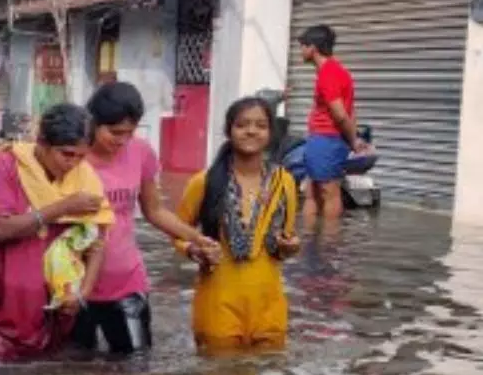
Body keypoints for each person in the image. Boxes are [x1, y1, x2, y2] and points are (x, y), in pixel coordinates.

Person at [0, 103, 114, 363]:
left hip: (52, 304)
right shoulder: (8, 165)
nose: (73, 164)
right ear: (42, 143)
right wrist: (63, 207)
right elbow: (0, 229)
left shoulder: (83, 176)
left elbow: (97, 239)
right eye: (67, 154)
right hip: (0, 301)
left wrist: (83, 294)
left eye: (81, 156)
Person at [78, 82, 218, 356]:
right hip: (74, 284)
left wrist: (196, 237)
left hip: (126, 280)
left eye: (129, 133)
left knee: (135, 367)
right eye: (114, 132)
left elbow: (154, 211)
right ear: (93, 122)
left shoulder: (140, 152)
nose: (121, 141)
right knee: (73, 371)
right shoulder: (72, 156)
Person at [176, 97, 301, 355]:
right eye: (242, 124)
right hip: (219, 303)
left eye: (260, 125)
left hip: (269, 306)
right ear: (229, 130)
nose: (251, 131)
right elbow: (177, 230)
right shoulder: (205, 182)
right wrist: (193, 250)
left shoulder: (284, 182)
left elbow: (285, 241)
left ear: (270, 133)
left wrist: (292, 247)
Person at [297, 24, 371, 227]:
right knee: (313, 191)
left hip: (326, 139)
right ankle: (310, 241)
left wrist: (354, 140)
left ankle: (329, 247)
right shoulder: (337, 71)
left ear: (313, 48)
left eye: (302, 46)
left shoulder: (328, 73)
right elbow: (351, 111)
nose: (300, 51)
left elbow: (340, 114)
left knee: (329, 192)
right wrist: (352, 139)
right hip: (324, 139)